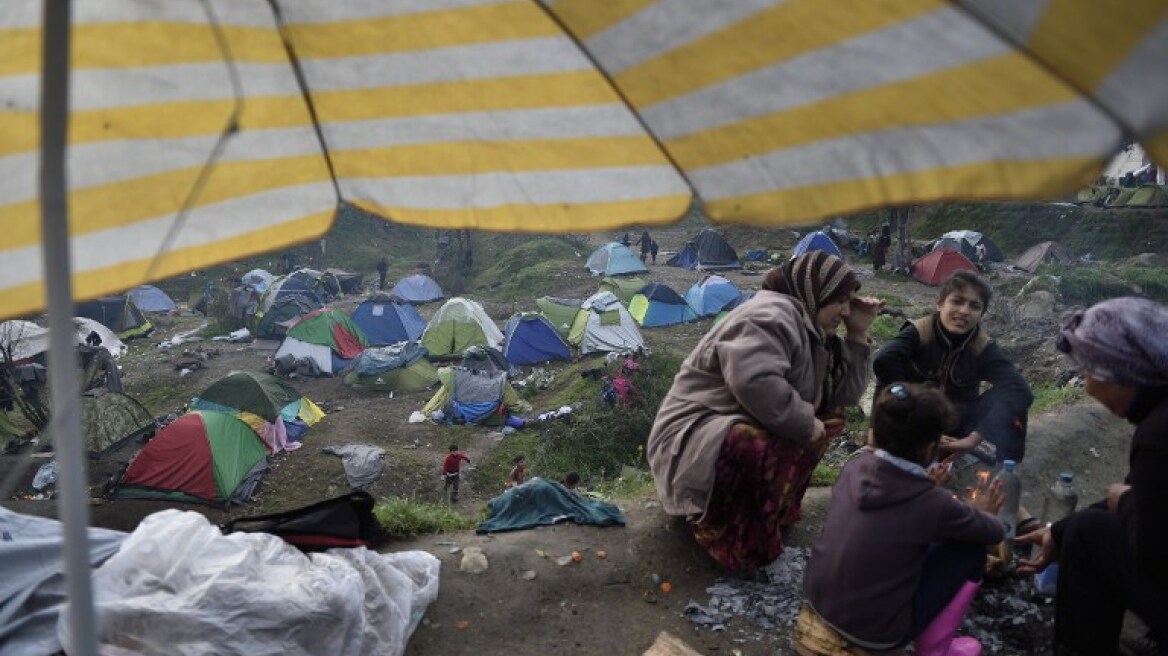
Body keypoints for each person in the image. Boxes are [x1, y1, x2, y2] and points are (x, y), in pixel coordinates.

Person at [647, 251, 883, 574]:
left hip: (728, 424)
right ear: (815, 292)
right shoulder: (770, 315)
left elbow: (846, 395)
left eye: (848, 301)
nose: (845, 311)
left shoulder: (814, 329)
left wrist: (856, 334)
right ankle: (720, 534)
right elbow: (755, 382)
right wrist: (804, 422)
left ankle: (772, 513)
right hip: (689, 439)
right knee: (753, 442)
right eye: (839, 301)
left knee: (831, 418)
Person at [799, 383, 1005, 654]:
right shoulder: (932, 502)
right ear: (930, 448)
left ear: (874, 435)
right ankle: (935, 648)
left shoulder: (854, 468)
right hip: (877, 634)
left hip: (817, 601)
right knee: (970, 551)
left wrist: (929, 489)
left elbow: (900, 513)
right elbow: (992, 532)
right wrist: (983, 511)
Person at [1017, 298, 1168, 656]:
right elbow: (1149, 500)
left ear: (1120, 371)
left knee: (1089, 533)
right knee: (1087, 524)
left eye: (1087, 373)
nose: (1084, 386)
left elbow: (1152, 556)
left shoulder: (1158, 436)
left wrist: (1124, 501)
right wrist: (1057, 531)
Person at [873, 271, 1034, 517]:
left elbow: (1020, 389)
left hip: (957, 426)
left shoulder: (982, 346)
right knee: (890, 378)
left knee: (1015, 402)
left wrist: (974, 438)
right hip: (914, 422)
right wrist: (916, 408)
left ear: (981, 314)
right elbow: (883, 360)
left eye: (974, 306)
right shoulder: (921, 331)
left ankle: (1004, 474)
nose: (964, 311)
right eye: (957, 301)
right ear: (940, 303)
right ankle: (878, 442)